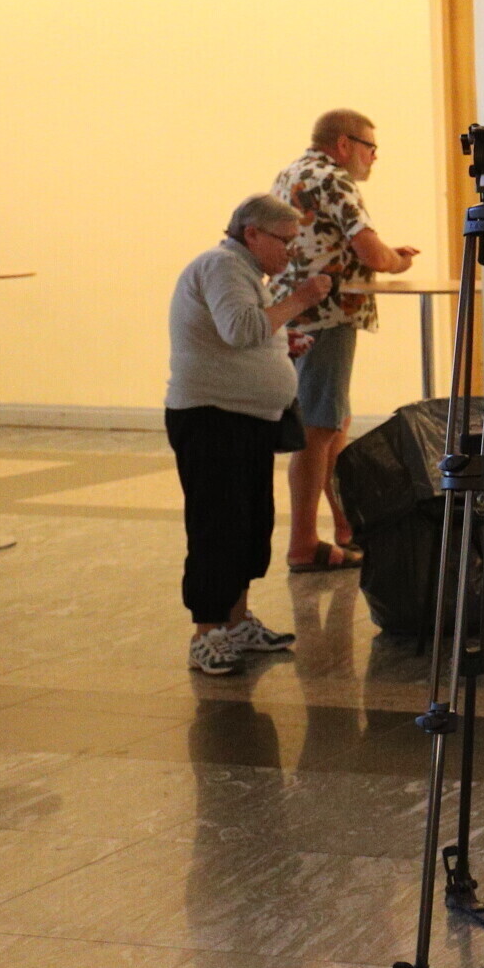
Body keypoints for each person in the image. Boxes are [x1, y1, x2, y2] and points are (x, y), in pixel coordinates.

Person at [168, 195, 336, 676]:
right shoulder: (222, 266)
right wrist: (301, 299)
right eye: (285, 240)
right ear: (252, 234)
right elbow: (241, 330)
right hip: (212, 418)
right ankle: (206, 633)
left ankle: (237, 622)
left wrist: (281, 340)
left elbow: (244, 332)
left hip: (245, 418)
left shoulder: (244, 273)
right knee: (217, 527)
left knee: (248, 525)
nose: (291, 251)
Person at [271, 109, 420, 572]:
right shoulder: (334, 179)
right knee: (317, 430)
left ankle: (347, 527)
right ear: (343, 144)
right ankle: (302, 544)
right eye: (370, 147)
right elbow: (371, 253)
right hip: (326, 314)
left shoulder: (291, 173)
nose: (374, 157)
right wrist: (399, 260)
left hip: (296, 314)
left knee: (333, 424)